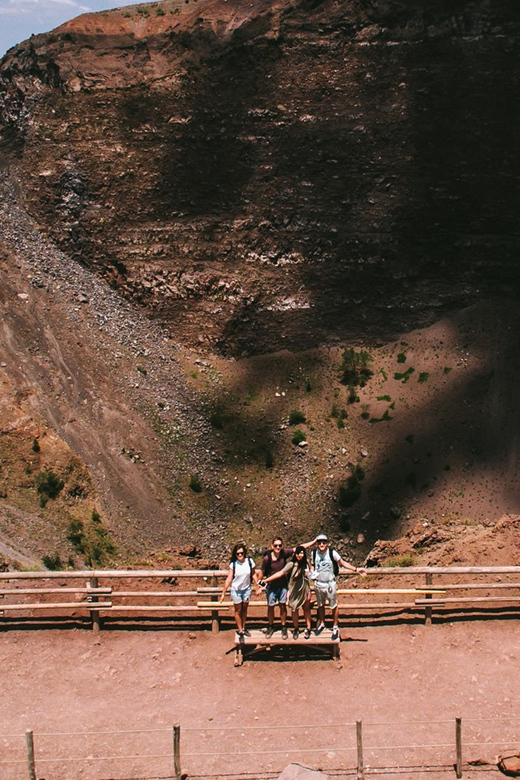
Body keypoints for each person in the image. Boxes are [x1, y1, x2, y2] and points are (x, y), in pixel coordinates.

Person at [258, 536, 316, 639]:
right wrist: (260, 584)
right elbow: (267, 572)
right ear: (272, 546)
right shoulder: (269, 559)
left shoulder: (286, 554)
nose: (278, 547)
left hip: (285, 586)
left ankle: (286, 626)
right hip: (273, 586)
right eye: (276, 545)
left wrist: (314, 542)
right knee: (271, 607)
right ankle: (272, 626)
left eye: (280, 545)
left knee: (285, 606)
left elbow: (299, 548)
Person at [312, 533, 365, 641]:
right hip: (318, 583)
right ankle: (322, 623)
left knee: (333, 606)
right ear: (316, 544)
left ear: (327, 544)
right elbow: (312, 565)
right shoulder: (314, 553)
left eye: (324, 542)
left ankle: (335, 626)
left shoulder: (332, 553)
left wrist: (355, 569)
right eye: (319, 542)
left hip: (329, 583)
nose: (321, 544)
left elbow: (342, 563)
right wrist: (311, 573)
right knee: (320, 605)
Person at [219, 542, 258, 643]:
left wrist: (258, 585)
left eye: (241, 553)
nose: (240, 555)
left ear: (244, 553)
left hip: (246, 589)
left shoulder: (250, 562)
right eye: (238, 554)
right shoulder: (234, 565)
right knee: (238, 610)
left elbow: (253, 574)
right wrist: (223, 593)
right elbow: (229, 578)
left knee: (245, 609)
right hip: (236, 590)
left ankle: (243, 628)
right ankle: (240, 630)